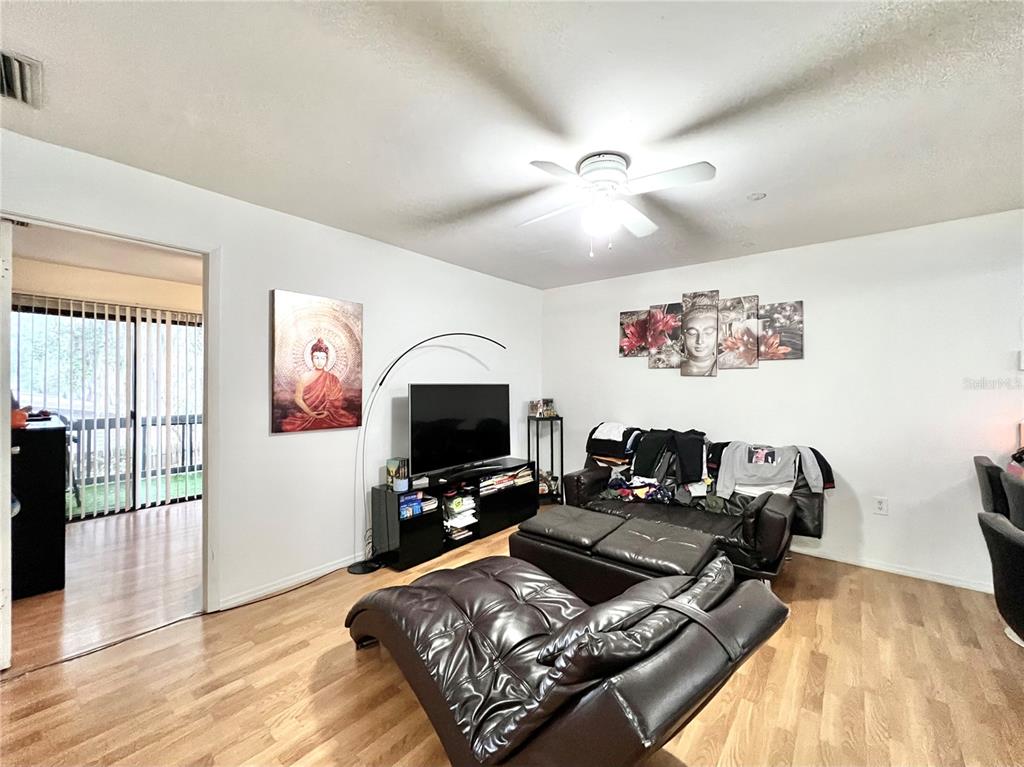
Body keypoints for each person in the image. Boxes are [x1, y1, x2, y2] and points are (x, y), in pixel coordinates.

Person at [280, 338, 357, 431]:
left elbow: (337, 400)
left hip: (330, 415)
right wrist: (310, 413)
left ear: (327, 359)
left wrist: (327, 411)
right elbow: (298, 398)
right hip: (308, 414)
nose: (319, 361)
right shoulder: (304, 377)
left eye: (323, 358)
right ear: (311, 358)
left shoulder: (333, 379)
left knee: (351, 421)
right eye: (316, 357)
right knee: (287, 425)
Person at [679, 304, 718, 376]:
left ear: (719, 335)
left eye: (708, 332)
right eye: (692, 333)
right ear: (683, 337)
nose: (700, 341)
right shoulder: (671, 366)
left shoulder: (729, 365)